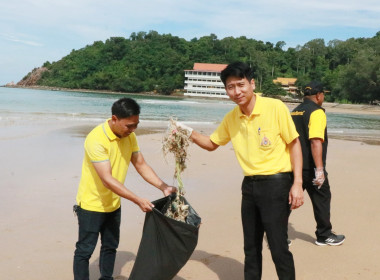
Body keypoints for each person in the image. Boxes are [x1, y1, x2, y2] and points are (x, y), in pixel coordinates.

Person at [177, 62, 304, 280]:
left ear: (252, 83)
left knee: (278, 245)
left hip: (276, 184)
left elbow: (294, 144)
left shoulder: (275, 107)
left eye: (240, 84)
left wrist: (298, 183)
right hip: (250, 186)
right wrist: (185, 131)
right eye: (230, 87)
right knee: (251, 246)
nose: (236, 92)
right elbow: (211, 143)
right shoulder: (232, 118)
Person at [73, 97, 176, 280]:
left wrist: (164, 186)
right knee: (85, 250)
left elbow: (141, 164)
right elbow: (107, 179)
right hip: (91, 205)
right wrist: (137, 200)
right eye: (129, 125)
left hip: (113, 203)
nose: (133, 130)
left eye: (136, 124)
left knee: (110, 245)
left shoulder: (130, 137)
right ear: (114, 119)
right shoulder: (96, 139)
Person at [291, 81, 345, 246]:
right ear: (319, 95)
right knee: (322, 199)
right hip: (311, 167)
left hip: (294, 165)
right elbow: (315, 141)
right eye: (323, 95)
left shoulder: (294, 112)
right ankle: (324, 235)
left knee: (287, 201)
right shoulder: (316, 112)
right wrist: (319, 170)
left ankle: (277, 236)